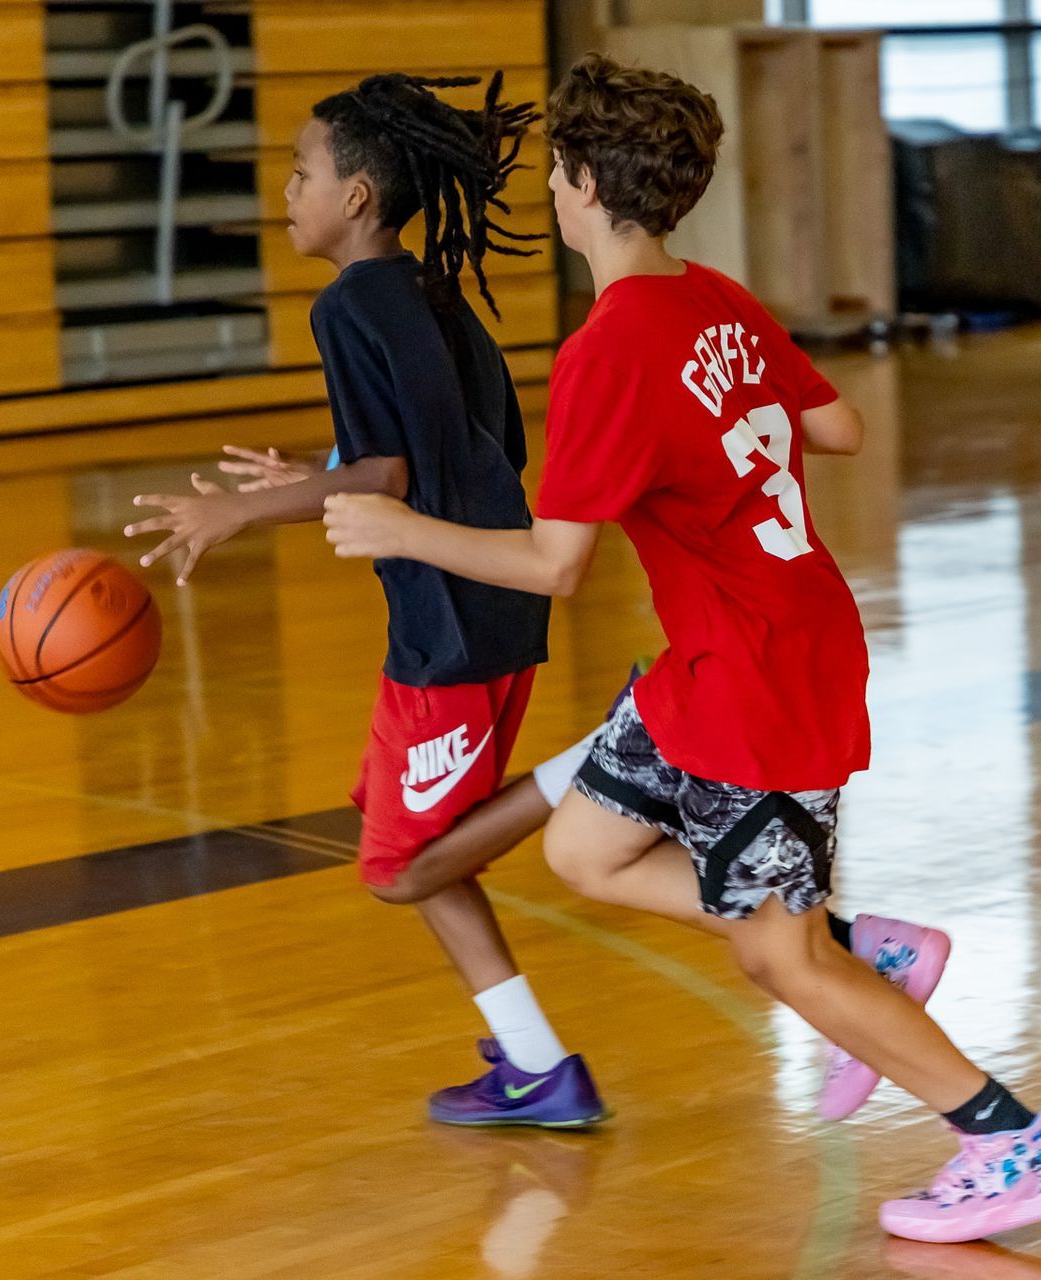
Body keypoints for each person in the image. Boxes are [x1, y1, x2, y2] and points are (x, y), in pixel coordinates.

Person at [321, 53, 1041, 1242]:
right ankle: (867, 945)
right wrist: (729, 420)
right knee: (586, 846)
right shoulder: (714, 298)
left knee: (776, 957)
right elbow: (832, 424)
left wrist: (395, 525)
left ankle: (1008, 1136)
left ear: (579, 181)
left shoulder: (610, 346)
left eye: (557, 171)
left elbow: (555, 563)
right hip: (739, 648)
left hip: (757, 677)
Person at [125, 71, 605, 1127]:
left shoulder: (347, 303)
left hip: (452, 622)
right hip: (478, 601)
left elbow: (387, 475)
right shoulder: (427, 289)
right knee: (403, 843)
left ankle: (601, 765)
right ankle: (538, 1064)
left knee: (399, 867)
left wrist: (240, 513)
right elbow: (453, 444)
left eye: (301, 172)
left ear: (355, 197)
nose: (285, 190)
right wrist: (315, 466)